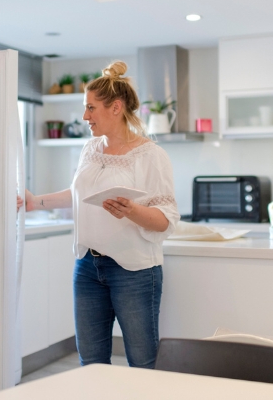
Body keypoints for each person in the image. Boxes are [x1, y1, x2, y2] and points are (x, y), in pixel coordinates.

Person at [22, 61, 179, 369]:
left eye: (90, 108)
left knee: (143, 362)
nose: (85, 116)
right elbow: (79, 196)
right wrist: (34, 202)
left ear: (115, 108)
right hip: (87, 268)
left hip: (134, 272)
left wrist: (132, 211)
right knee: (91, 362)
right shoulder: (90, 149)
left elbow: (167, 219)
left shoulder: (151, 156)